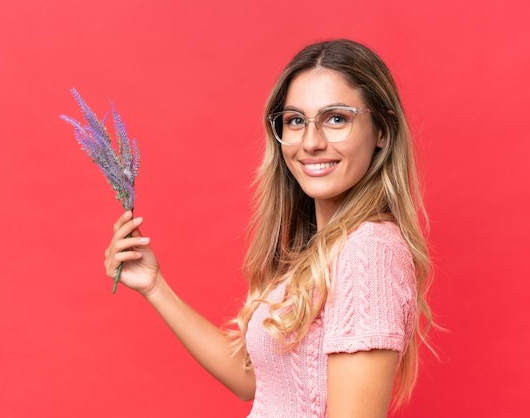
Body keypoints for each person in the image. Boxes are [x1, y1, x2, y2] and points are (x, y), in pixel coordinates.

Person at [104, 39, 433, 417]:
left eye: (336, 118)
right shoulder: (321, 248)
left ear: (382, 131)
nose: (311, 142)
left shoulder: (369, 252)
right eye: (295, 120)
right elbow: (255, 381)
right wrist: (154, 285)